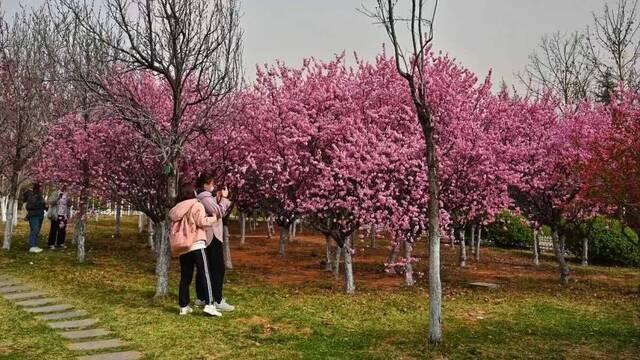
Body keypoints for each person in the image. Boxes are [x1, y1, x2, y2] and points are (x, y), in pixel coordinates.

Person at [169, 182, 221, 317]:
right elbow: (201, 222)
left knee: (185, 276)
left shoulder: (177, 209)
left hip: (184, 246)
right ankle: (210, 304)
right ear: (193, 193)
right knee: (205, 274)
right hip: (197, 243)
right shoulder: (196, 205)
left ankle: (183, 306)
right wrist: (214, 218)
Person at [194, 172, 234, 312]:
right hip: (212, 236)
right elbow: (219, 212)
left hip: (209, 236)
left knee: (206, 268)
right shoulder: (204, 198)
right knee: (217, 268)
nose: (213, 186)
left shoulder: (205, 197)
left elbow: (214, 209)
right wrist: (223, 199)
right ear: (205, 185)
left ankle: (202, 297)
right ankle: (217, 299)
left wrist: (217, 199)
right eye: (211, 183)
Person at [24, 183, 47, 253]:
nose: (41, 190)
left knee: (36, 231)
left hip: (40, 215)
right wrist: (41, 204)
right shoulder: (32, 196)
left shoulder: (40, 196)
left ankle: (34, 244)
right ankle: (32, 246)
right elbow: (29, 206)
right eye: (40, 188)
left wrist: (46, 206)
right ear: (36, 189)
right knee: (34, 230)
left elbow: (42, 205)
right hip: (34, 216)